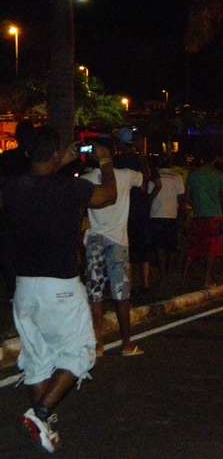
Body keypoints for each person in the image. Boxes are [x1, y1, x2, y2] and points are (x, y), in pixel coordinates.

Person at [3, 127, 117, 453]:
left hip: (24, 287)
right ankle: (39, 412)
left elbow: (36, 180)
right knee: (81, 353)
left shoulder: (12, 187)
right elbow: (108, 195)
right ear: (56, 155)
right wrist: (105, 161)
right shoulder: (70, 187)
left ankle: (43, 428)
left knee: (38, 360)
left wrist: (55, 160)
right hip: (60, 287)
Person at [81, 141, 145, 357]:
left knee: (95, 293)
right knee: (121, 294)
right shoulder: (126, 175)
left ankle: (97, 344)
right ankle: (127, 344)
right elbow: (144, 178)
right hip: (117, 240)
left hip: (94, 240)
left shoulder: (85, 180)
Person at [115, 133, 161, 293]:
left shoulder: (118, 162)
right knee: (143, 246)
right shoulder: (143, 160)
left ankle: (129, 282)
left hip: (125, 208)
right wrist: (148, 199)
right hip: (142, 208)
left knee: (126, 246)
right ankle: (146, 283)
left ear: (121, 144)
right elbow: (158, 184)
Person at [0, 120, 36, 299]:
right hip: (31, 212)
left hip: (12, 211)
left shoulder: (8, 157)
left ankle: (14, 289)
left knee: (10, 252)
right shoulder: (36, 159)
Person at [184, 152, 223, 287]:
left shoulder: (194, 175)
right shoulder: (219, 175)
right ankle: (207, 279)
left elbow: (187, 197)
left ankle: (184, 276)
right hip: (214, 216)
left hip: (198, 215)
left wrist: (197, 204)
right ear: (215, 159)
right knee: (212, 250)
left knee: (194, 247)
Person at [149, 157, 185, 280]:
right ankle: (170, 270)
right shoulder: (177, 177)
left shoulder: (154, 177)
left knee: (160, 246)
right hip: (172, 215)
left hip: (156, 215)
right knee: (172, 245)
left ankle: (163, 271)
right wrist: (182, 214)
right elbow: (181, 198)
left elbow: (150, 196)